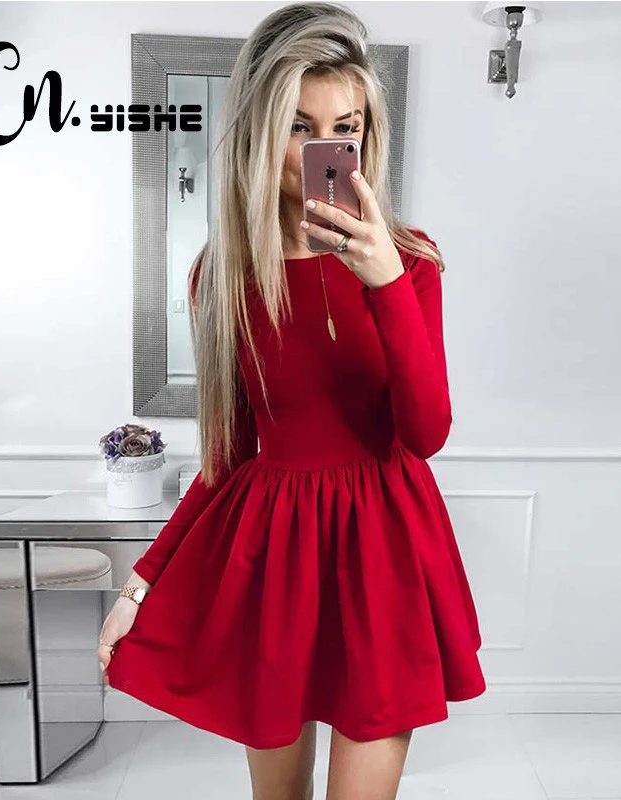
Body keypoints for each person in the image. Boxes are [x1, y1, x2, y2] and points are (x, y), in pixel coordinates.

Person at [98, 4, 485, 798]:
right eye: (299, 127)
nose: (323, 150)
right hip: (275, 558)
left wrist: (384, 283)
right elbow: (226, 456)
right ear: (257, 130)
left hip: (384, 552)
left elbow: (426, 432)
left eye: (344, 127)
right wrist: (140, 585)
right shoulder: (222, 275)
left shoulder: (410, 262)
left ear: (366, 135)